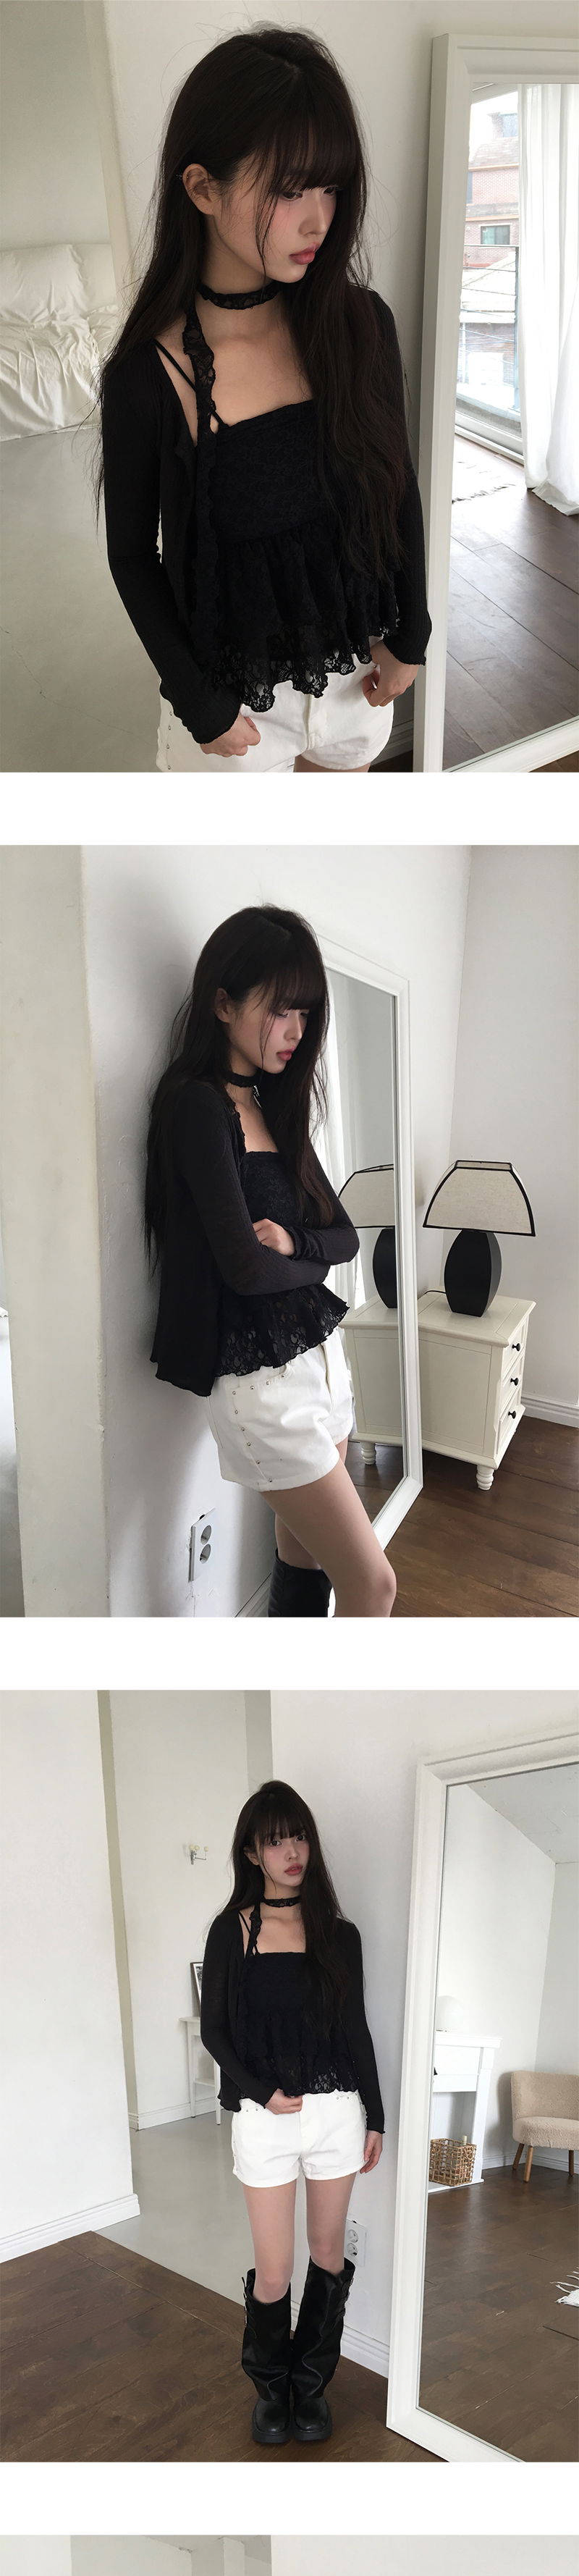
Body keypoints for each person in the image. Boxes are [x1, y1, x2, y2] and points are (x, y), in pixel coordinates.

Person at [100, 30, 431, 778]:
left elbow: (396, 485)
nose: (319, 220)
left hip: (356, 680)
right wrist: (197, 701)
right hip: (234, 712)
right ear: (202, 189)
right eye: (288, 191)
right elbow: (133, 554)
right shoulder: (149, 376)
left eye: (330, 187)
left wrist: (411, 628)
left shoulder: (361, 326)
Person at [145, 901, 397, 1618]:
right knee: (374, 1584)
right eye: (280, 1011)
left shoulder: (272, 1107)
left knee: (302, 1554)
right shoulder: (197, 1107)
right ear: (223, 1003)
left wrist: (295, 1246)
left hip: (320, 1362)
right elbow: (245, 1272)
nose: (295, 1031)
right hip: (262, 1385)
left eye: (304, 1014)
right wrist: (309, 1261)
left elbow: (344, 1236)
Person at [199, 1777, 384, 2445]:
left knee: (327, 2254)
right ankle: (270, 2391)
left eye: (298, 1836)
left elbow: (355, 2029)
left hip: (337, 2113)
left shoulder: (340, 1935)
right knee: (274, 2270)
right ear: (252, 1853)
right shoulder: (233, 1931)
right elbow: (214, 2031)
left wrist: (376, 2115)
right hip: (265, 2117)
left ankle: (310, 2388)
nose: (292, 1851)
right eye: (275, 1841)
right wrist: (260, 2091)